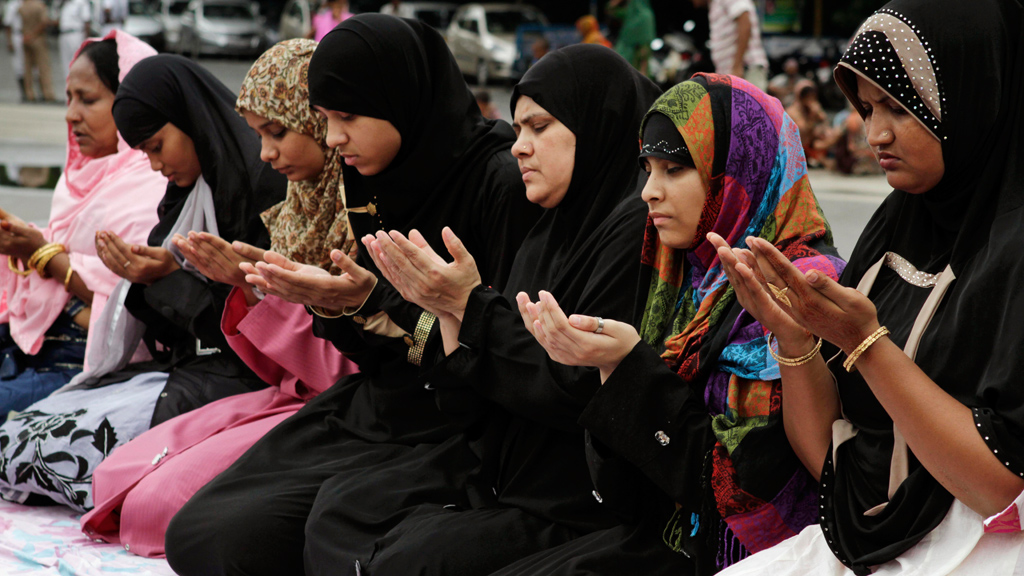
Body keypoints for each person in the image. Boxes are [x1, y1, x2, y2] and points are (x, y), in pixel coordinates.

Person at [164, 15, 538, 576]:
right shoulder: (371, 181)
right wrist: (337, 306)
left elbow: (504, 350)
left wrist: (376, 306)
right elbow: (375, 351)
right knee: (199, 532)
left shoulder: (499, 184)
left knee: (315, 539)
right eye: (323, 119)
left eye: (347, 117)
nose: (334, 139)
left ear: (401, 98)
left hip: (463, 426)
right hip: (381, 406)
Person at [295, 43, 662, 576]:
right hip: (501, 469)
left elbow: (576, 386)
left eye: (540, 127)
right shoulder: (547, 232)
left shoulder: (633, 232)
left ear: (596, 124)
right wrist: (446, 313)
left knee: (395, 560)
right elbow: (472, 403)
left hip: (578, 500)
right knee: (339, 515)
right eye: (517, 130)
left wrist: (463, 307)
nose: (520, 147)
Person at [710, 0, 1024, 573]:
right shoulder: (897, 221)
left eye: (900, 109)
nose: (873, 133)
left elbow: (1001, 491)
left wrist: (868, 345)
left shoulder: (1013, 247)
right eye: (866, 105)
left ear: (974, 100)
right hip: (869, 543)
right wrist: (794, 339)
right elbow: (830, 461)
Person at [514, 73, 843, 574]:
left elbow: (748, 485)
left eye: (673, 168)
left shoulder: (800, 288)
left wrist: (628, 370)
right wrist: (611, 369)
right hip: (664, 535)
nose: (648, 191)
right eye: (646, 168)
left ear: (735, 172)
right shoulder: (686, 272)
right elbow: (626, 490)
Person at [80, 39, 358, 559]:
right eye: (258, 135)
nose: (266, 153)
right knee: (110, 474)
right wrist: (172, 276)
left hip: (319, 397)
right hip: (263, 382)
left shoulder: (323, 202)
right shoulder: (296, 204)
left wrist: (239, 286)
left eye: (277, 131)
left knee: (164, 508)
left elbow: (344, 356)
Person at [0, 53, 287, 512]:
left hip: (244, 384)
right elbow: (171, 336)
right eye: (146, 152)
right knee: (18, 436)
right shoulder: (185, 197)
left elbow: (261, 340)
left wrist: (170, 278)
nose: (155, 165)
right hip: (187, 372)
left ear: (190, 119)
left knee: (51, 450)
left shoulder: (262, 188)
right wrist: (147, 279)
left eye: (157, 145)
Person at [0, 31, 163, 507]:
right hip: (37, 344)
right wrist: (29, 247)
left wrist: (46, 257)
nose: (71, 114)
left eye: (88, 99)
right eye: (69, 98)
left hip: (90, 366)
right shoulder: (81, 182)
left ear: (133, 102)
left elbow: (135, 316)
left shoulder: (152, 186)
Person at [692, 0, 768, 90]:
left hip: (745, 71)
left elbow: (745, 22)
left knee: (751, 104)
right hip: (733, 74)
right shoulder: (715, 5)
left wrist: (737, 66)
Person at [787, 79, 837, 168]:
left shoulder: (814, 106)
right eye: (806, 96)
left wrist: (817, 113)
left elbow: (824, 120)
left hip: (813, 142)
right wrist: (812, 116)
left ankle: (821, 158)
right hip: (799, 144)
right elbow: (802, 129)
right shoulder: (793, 111)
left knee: (828, 134)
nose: (809, 98)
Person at [19, 0, 54, 102]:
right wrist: (33, 34)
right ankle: (47, 93)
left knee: (27, 68)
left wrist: (27, 35)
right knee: (43, 67)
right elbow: (44, 22)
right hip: (37, 38)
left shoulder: (22, 7)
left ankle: (29, 93)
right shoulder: (39, 6)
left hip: (25, 37)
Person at [611, 0, 655, 76]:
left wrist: (643, 68)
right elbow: (611, 11)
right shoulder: (630, 14)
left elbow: (645, 43)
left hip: (637, 56)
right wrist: (616, 2)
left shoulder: (646, 16)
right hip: (624, 52)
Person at [58, 0, 92, 75]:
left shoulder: (81, 3)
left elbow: (86, 21)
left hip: (75, 33)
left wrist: (86, 40)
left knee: (77, 60)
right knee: (65, 62)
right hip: (63, 33)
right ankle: (68, 84)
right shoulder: (64, 3)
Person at [3, 0, 26, 101]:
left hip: (30, 35)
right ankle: (23, 92)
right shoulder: (12, 4)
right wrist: (9, 41)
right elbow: (7, 24)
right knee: (19, 64)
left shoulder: (31, 2)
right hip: (17, 34)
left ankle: (32, 91)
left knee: (33, 66)